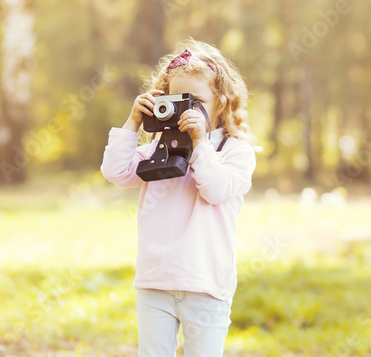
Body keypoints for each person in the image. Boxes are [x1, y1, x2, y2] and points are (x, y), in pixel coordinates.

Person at [100, 38, 257, 357]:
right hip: (155, 280)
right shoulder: (155, 152)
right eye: (175, 99)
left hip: (205, 284)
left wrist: (199, 142)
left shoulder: (234, 152)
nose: (185, 108)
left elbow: (215, 189)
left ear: (220, 104)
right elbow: (115, 172)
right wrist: (134, 120)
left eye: (195, 100)